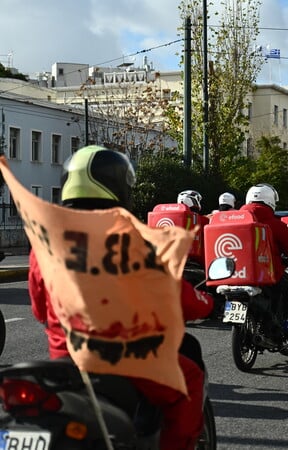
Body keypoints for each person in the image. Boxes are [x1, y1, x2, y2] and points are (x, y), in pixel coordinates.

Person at [28, 145, 213, 450]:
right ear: (117, 187)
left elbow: (39, 310)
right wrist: (209, 303)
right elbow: (177, 298)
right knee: (188, 380)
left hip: (65, 364)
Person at [240, 183, 288, 338]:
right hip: (266, 274)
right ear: (270, 201)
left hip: (235, 273)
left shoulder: (233, 220)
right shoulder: (275, 224)